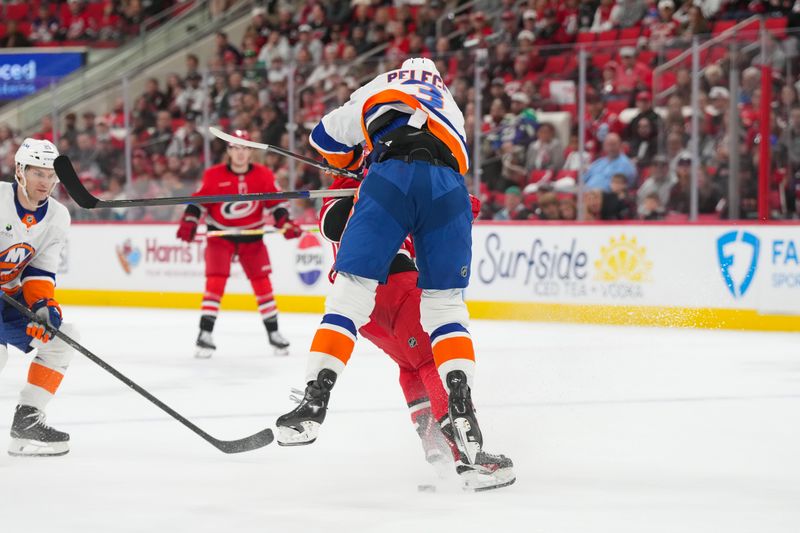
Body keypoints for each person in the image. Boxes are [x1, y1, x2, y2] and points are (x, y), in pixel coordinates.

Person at [276, 57, 514, 488]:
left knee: (360, 312)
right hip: (445, 191)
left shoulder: (379, 90)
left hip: (382, 236)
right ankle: (467, 438)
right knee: (443, 315)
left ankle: (314, 403)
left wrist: (355, 165)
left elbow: (324, 138)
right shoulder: (452, 109)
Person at [176, 130, 302, 358]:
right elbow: (198, 202)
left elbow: (276, 205)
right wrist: (190, 219)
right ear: (228, 151)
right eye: (235, 148)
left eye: (244, 147)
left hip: (252, 236)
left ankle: (274, 333)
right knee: (215, 282)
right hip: (220, 236)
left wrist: (285, 222)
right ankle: (204, 334)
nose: (240, 153)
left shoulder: (263, 175)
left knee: (262, 284)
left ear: (251, 151)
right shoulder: (213, 175)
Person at [2, 139, 78, 456]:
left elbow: (40, 272)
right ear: (20, 171)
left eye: (50, 175)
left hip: (8, 297)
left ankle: (27, 423)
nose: (45, 182)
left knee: (63, 338)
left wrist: (44, 310)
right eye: (37, 173)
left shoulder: (57, 217)